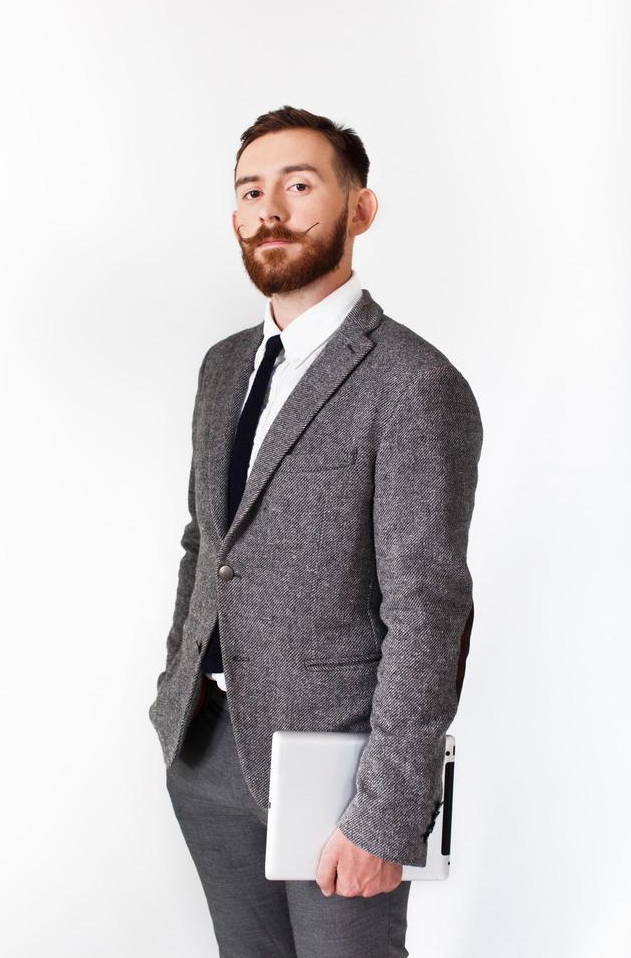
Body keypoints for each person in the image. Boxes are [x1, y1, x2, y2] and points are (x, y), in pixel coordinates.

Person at [148, 104, 483, 957]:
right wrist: (172, 696)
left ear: (358, 209)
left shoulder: (414, 383)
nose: (272, 209)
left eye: (300, 185)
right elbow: (206, 544)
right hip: (208, 750)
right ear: (234, 218)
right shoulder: (223, 367)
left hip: (338, 776)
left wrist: (388, 811)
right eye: (251, 191)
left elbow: (429, 610)